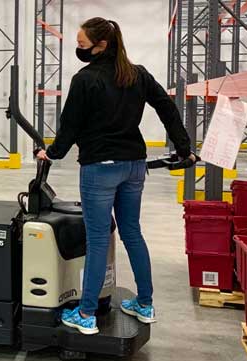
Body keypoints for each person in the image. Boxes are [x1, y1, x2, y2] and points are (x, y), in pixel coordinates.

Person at [35, 17, 195, 335]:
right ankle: (145, 304)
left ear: (101, 45)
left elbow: (70, 125)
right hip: (134, 165)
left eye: (82, 45)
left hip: (100, 169)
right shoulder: (136, 74)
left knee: (96, 241)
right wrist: (184, 148)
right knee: (131, 233)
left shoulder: (86, 79)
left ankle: (86, 313)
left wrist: (52, 153)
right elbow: (166, 107)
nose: (79, 50)